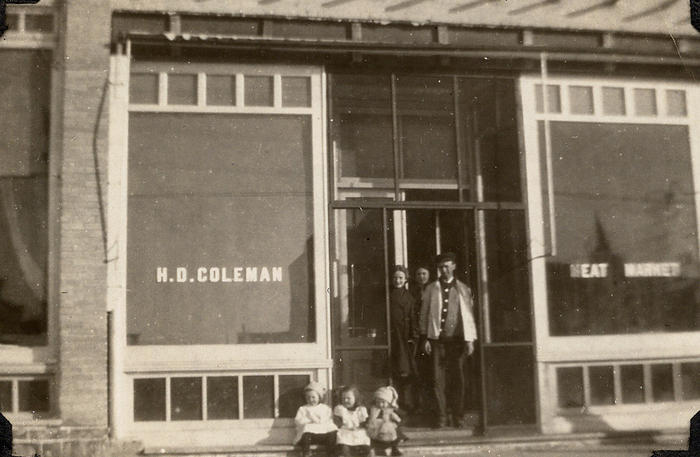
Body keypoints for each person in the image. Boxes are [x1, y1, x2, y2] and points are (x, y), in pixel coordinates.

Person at [419, 252, 477, 429]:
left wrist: (470, 340)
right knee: (438, 380)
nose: (444, 270)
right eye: (441, 267)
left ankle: (458, 416)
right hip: (438, 341)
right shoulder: (431, 288)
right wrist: (425, 337)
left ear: (454, 266)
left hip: (457, 341)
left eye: (447, 266)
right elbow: (424, 314)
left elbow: (468, 316)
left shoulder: (463, 289)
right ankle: (442, 416)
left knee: (457, 379)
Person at [388, 266, 417, 411]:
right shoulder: (387, 295)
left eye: (400, 278)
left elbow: (412, 317)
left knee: (405, 370)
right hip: (391, 336)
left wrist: (413, 335)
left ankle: (406, 403)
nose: (397, 280)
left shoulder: (409, 297)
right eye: (395, 278)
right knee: (392, 370)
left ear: (406, 279)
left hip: (404, 336)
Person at [294, 381, 337, 457]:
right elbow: (298, 420)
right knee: (306, 434)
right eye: (308, 397)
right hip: (311, 436)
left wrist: (319, 421)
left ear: (319, 397)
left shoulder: (325, 408)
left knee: (332, 433)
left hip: (323, 435)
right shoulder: (303, 409)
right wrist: (309, 420)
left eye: (313, 397)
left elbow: (328, 419)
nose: (311, 399)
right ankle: (306, 453)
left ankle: (331, 454)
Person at [333, 385, 372, 457]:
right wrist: (341, 424)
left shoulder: (361, 410)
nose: (345, 400)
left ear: (355, 398)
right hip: (344, 432)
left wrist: (362, 425)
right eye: (343, 398)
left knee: (365, 446)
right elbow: (337, 422)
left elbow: (364, 422)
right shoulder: (340, 409)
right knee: (344, 448)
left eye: (348, 398)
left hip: (358, 431)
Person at [367, 386, 403, 456]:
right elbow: (369, 417)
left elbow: (397, 417)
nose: (380, 404)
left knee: (395, 434)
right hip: (376, 427)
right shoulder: (373, 409)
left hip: (388, 427)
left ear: (389, 402)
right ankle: (375, 448)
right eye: (378, 402)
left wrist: (396, 419)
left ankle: (394, 448)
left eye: (383, 402)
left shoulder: (389, 410)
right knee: (372, 438)